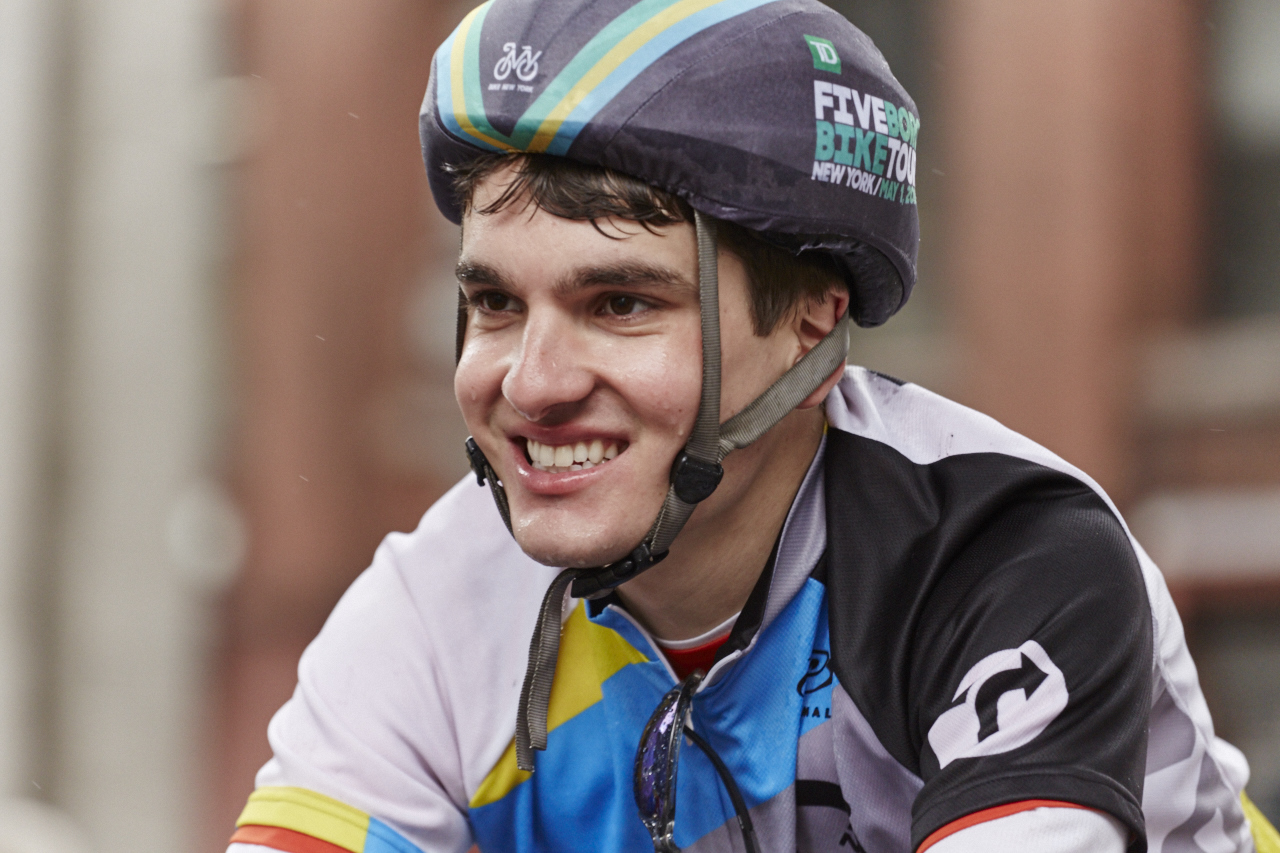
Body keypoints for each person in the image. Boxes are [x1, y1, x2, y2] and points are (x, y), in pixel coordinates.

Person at [226, 1, 1280, 851]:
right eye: (496, 303)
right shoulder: (433, 607)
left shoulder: (1001, 553)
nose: (532, 383)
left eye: (619, 304)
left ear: (812, 322)